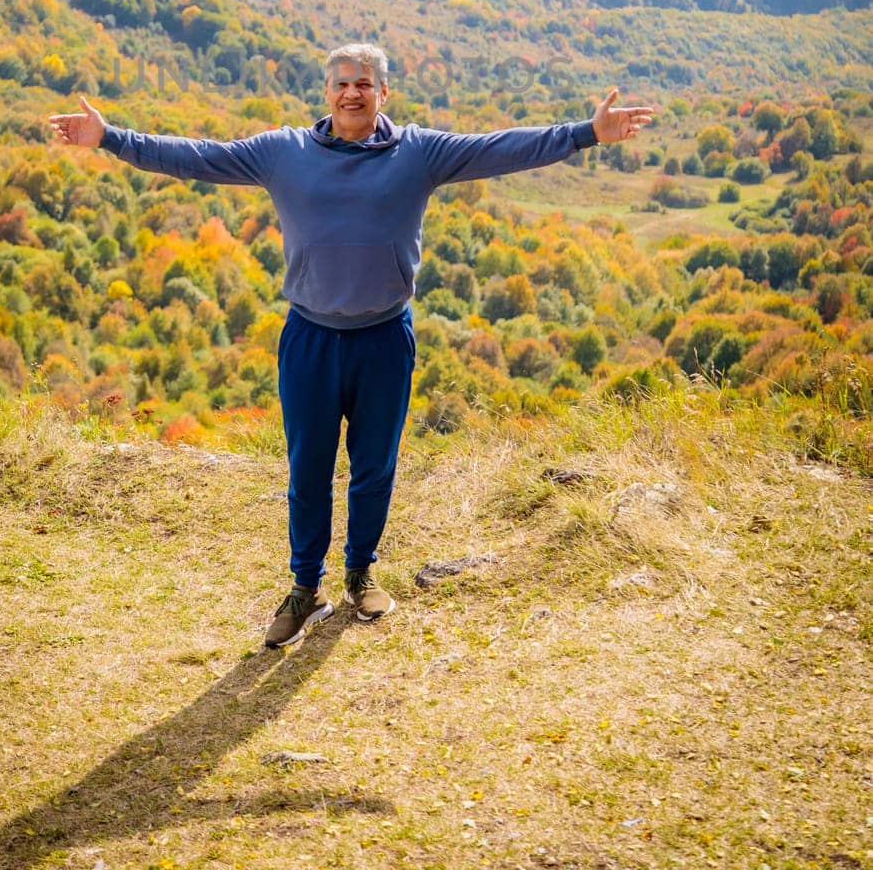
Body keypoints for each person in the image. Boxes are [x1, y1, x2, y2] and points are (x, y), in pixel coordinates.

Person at [48, 42, 654, 648]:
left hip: (385, 337)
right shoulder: (283, 153)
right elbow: (197, 157)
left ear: (383, 93)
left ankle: (361, 572)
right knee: (307, 470)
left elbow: (500, 148)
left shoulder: (419, 153)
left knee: (374, 468)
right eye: (341, 83)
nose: (351, 93)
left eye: (363, 83)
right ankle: (305, 588)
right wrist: (109, 138)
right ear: (326, 92)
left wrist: (587, 133)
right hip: (310, 337)